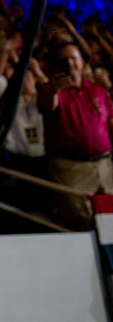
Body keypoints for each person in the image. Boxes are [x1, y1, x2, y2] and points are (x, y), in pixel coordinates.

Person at [38, 41, 113, 231]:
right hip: (71, 167)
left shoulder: (98, 90)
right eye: (64, 60)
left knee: (110, 217)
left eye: (74, 58)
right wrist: (55, 88)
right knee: (80, 220)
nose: (70, 63)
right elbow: (48, 105)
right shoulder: (51, 89)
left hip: (104, 164)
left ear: (82, 61)